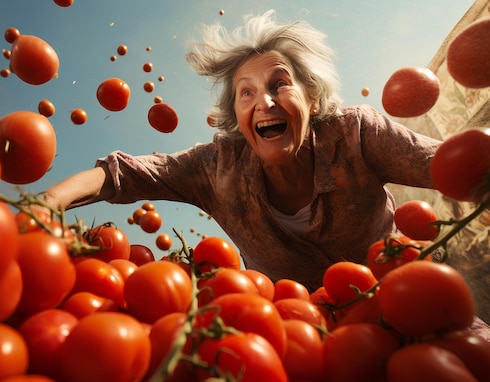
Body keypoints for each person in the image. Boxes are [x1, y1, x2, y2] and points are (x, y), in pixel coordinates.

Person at [42, 10, 440, 293]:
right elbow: (121, 173)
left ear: (313, 100)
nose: (263, 101)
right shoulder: (218, 167)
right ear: (236, 114)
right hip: (300, 341)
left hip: (408, 305)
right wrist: (44, 207)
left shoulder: (357, 133)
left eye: (279, 83)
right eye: (246, 92)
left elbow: (457, 167)